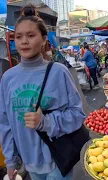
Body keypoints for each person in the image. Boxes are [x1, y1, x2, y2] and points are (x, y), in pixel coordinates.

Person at [0, 5, 86, 180]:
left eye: (31, 36)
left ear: (44, 39)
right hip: (29, 161)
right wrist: (11, 160)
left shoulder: (59, 72)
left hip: (58, 159)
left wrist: (45, 122)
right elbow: (5, 122)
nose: (24, 41)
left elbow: (78, 115)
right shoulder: (8, 78)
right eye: (18, 37)